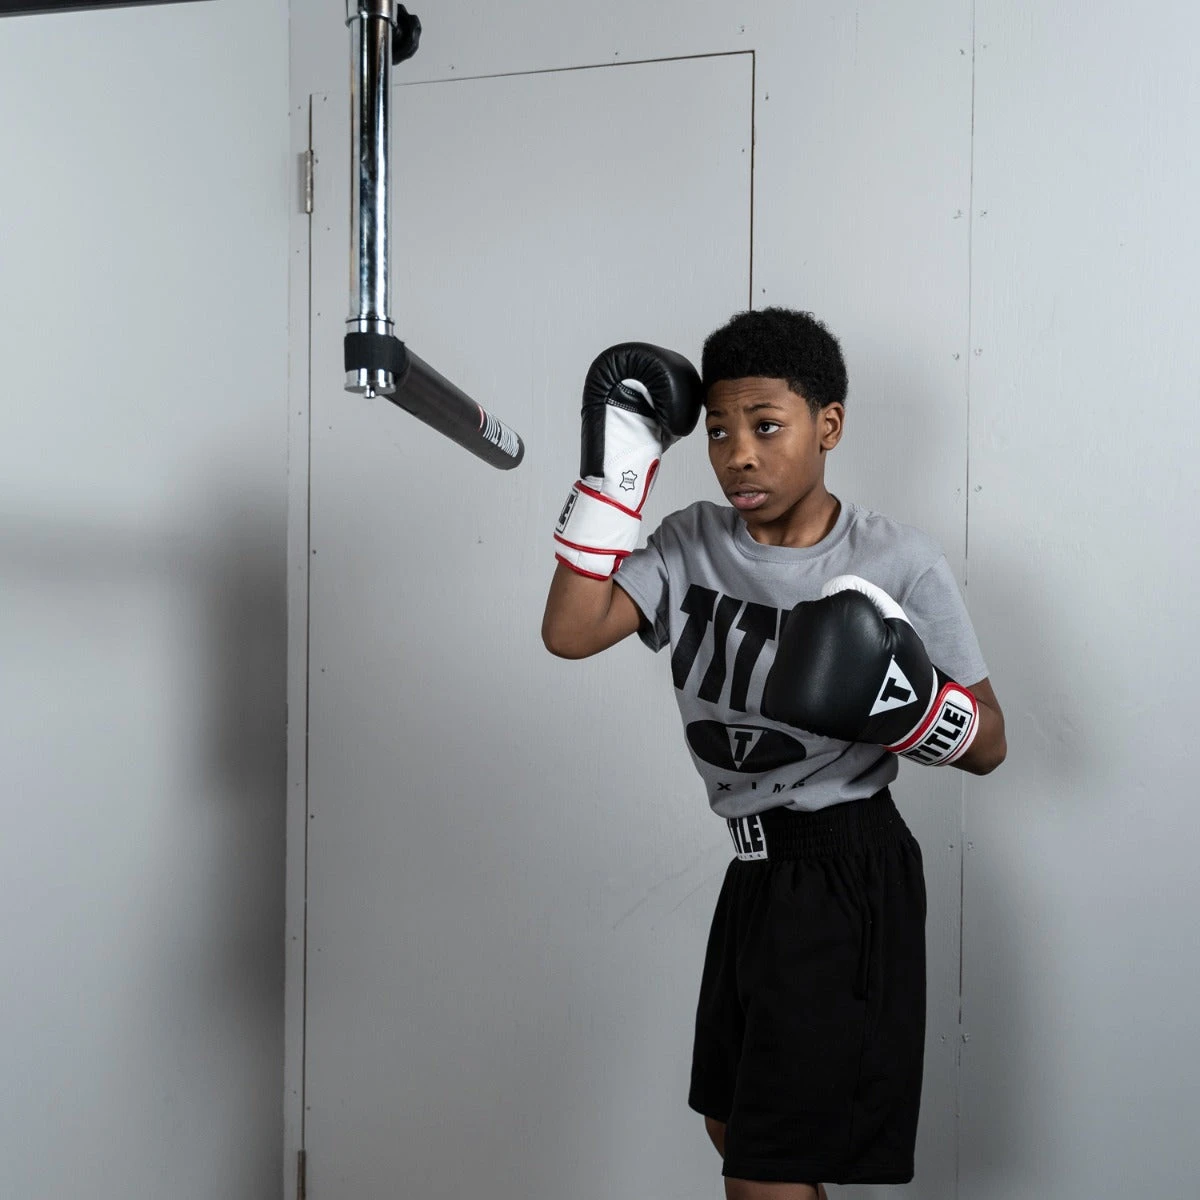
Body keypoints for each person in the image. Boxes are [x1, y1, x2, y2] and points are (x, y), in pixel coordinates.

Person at [542, 308, 1006, 1199]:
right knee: (731, 1122)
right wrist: (612, 481)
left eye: (765, 426)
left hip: (846, 871)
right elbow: (570, 631)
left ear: (828, 425)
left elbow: (991, 743)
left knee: (766, 1167)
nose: (738, 455)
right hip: (753, 874)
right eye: (718, 432)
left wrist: (911, 706)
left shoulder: (895, 560)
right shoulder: (690, 540)